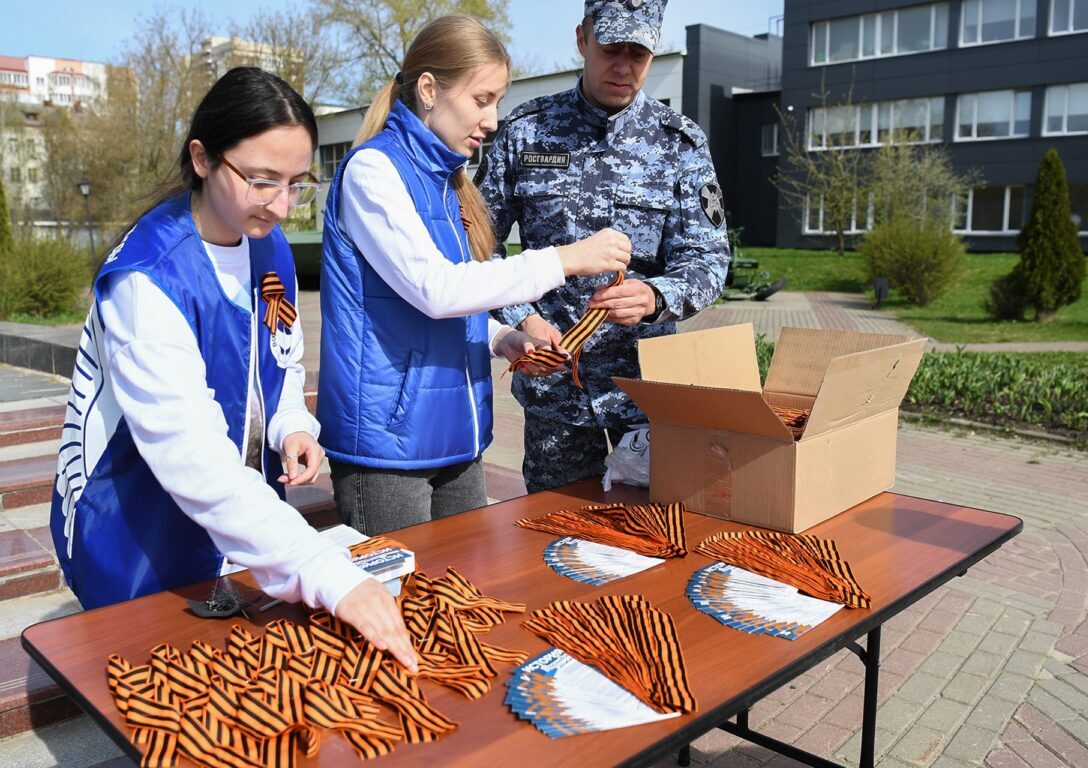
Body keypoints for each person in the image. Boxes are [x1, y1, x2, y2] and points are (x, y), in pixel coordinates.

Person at [50, 67, 418, 672]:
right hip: (139, 525)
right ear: (202, 157)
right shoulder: (148, 280)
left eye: (298, 183)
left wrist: (290, 424)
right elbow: (192, 456)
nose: (281, 205)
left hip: (236, 522)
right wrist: (327, 573)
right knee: (158, 695)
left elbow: (281, 355)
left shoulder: (266, 242)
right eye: (261, 180)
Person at [317, 15, 631, 536]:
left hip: (459, 437)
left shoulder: (450, 184)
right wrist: (566, 259)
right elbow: (436, 291)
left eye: (499, 103)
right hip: (389, 450)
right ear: (428, 90)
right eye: (482, 99)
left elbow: (437, 304)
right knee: (399, 607)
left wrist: (499, 336)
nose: (491, 120)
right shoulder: (373, 173)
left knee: (466, 601)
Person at [477, 0, 731, 494]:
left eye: (638, 53)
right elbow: (478, 247)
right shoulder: (527, 132)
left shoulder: (678, 144)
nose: (624, 67)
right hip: (556, 393)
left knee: (655, 536)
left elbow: (708, 260)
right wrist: (523, 317)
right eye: (612, 48)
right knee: (552, 532)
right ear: (582, 40)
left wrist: (656, 297)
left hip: (648, 396)